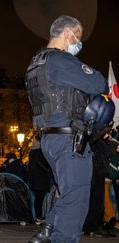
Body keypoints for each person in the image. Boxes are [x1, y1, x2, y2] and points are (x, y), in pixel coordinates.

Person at [25, 15, 108, 243]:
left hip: (49, 139)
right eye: (78, 36)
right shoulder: (60, 60)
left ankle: (49, 226)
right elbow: (99, 83)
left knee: (67, 190)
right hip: (68, 138)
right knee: (76, 197)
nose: (78, 42)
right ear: (67, 33)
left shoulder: (36, 62)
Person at [28, 135, 52, 224]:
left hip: (35, 179)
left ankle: (38, 216)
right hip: (41, 179)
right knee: (40, 198)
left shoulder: (32, 152)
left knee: (38, 198)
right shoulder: (40, 152)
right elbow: (45, 165)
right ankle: (39, 216)